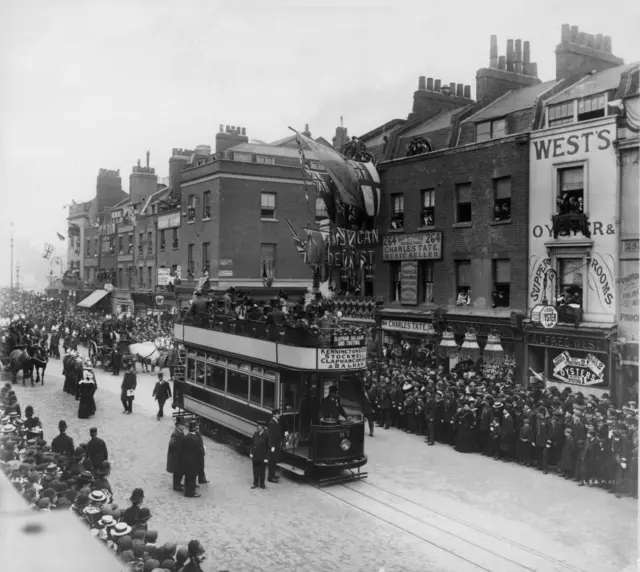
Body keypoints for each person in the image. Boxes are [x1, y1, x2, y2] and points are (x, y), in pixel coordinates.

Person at [181, 421, 203, 498]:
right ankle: (191, 492)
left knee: (187, 476)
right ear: (194, 428)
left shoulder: (185, 437)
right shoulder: (196, 439)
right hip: (194, 461)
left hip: (186, 461)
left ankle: (186, 491)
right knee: (192, 477)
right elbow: (200, 451)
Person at [167, 417, 185, 492]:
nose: (183, 426)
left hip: (179, 456)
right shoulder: (175, 434)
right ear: (177, 425)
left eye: (183, 425)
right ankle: (176, 485)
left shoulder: (180, 432)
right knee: (177, 472)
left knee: (180, 471)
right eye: (181, 425)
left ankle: (178, 483)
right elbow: (172, 444)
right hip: (176, 457)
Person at [250, 421, 269, 490]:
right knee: (255, 470)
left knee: (262, 471)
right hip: (255, 455)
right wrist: (251, 452)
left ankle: (262, 483)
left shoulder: (266, 435)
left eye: (259, 426)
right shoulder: (255, 434)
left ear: (263, 427)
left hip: (262, 456)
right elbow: (252, 444)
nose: (258, 427)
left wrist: (267, 457)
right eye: (257, 426)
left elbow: (268, 447)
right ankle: (255, 483)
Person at [267, 409, 282, 483]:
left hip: (276, 445)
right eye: (278, 414)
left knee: (274, 461)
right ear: (274, 415)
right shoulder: (272, 423)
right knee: (272, 462)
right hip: (273, 446)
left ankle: (273, 475)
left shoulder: (275, 422)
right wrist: (272, 446)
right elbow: (271, 436)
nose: (279, 415)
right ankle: (270, 477)